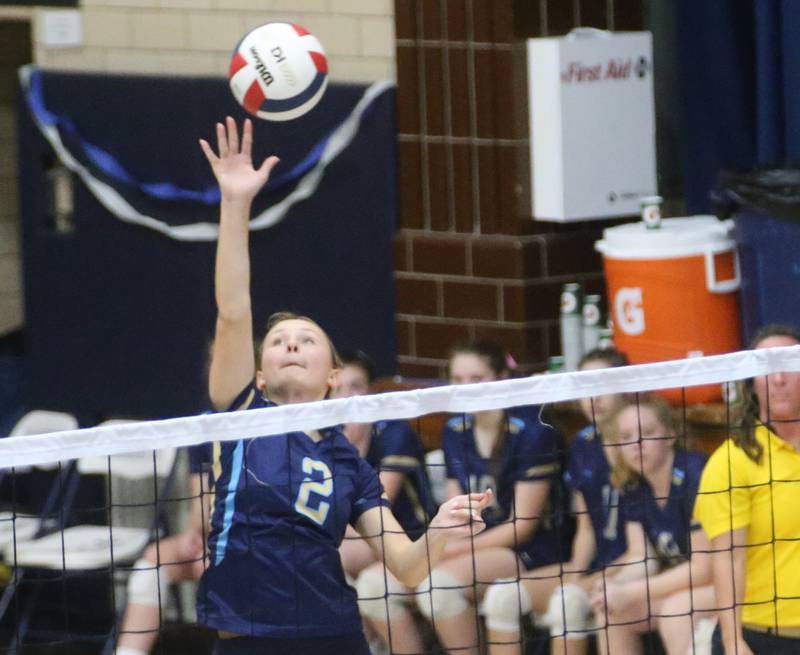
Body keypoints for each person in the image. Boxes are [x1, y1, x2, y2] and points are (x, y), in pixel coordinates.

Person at [194, 117, 492, 655]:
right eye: (279, 339)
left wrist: (443, 527)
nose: (289, 344)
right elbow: (233, 311)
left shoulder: (348, 464)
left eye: (306, 340)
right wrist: (235, 205)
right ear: (258, 372)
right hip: (251, 637)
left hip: (334, 636)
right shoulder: (243, 415)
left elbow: (404, 567)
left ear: (333, 377)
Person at [365, 339, 568, 655]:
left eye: (477, 379)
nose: (466, 389)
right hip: (470, 544)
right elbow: (455, 509)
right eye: (458, 380)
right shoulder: (455, 430)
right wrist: (443, 544)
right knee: (373, 585)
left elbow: (522, 526)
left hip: (528, 550)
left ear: (501, 378)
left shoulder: (533, 432)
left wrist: (450, 551)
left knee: (440, 588)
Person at [484, 347, 631, 655]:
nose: (594, 398)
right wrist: (577, 575)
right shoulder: (582, 443)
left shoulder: (641, 443)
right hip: (593, 565)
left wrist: (579, 585)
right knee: (501, 597)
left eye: (602, 387)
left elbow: (646, 550)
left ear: (626, 388)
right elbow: (587, 528)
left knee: (567, 604)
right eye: (586, 388)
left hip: (636, 566)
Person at [694, 325, 800, 655]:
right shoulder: (731, 461)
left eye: (789, 365)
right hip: (764, 638)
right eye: (766, 369)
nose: (779, 379)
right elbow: (728, 560)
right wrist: (732, 641)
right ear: (752, 383)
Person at [589, 394, 711, 655]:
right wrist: (615, 585)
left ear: (670, 436)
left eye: (647, 432)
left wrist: (631, 592)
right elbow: (642, 557)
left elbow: (705, 569)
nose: (637, 444)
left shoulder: (696, 474)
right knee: (612, 611)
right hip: (687, 584)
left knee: (675, 613)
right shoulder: (634, 484)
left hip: (731, 582)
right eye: (626, 437)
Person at [333, 350, 437, 655]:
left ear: (371, 392)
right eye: (338, 388)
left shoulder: (394, 433)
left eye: (355, 387)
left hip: (410, 537)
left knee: (331, 559)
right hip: (364, 539)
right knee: (318, 560)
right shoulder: (324, 438)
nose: (346, 397)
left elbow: (376, 508)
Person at [115, 444, 212, 655]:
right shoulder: (205, 428)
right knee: (152, 562)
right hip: (217, 540)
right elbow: (202, 507)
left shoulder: (262, 421)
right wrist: (194, 534)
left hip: (260, 544)